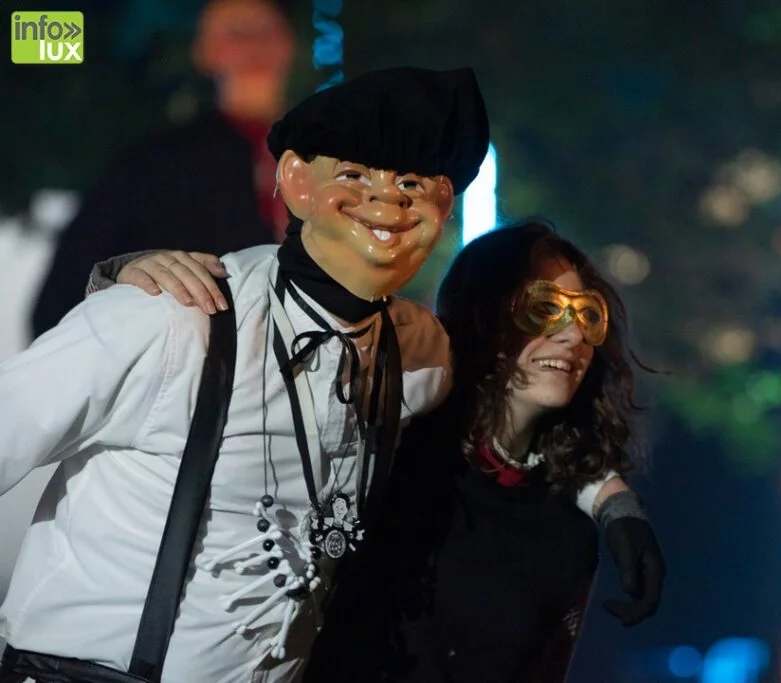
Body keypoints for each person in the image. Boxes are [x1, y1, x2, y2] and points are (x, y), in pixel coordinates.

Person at [0, 66, 491, 683]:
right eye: (354, 174)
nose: (387, 200)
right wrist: (115, 281)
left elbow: (516, 418)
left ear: (443, 206)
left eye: (413, 183)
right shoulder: (169, 321)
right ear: (296, 182)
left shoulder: (419, 356)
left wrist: (597, 494)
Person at [90, 220, 666, 682]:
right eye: (543, 308)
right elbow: (273, 358)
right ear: (484, 316)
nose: (572, 335)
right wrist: (128, 275)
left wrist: (612, 500)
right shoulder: (385, 444)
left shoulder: (568, 533)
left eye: (587, 315)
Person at [30, 0, 296, 337]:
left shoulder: (324, 149)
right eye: (235, 33)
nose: (253, 45)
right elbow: (66, 290)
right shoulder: (157, 164)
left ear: (288, 43)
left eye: (265, 30)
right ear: (204, 51)